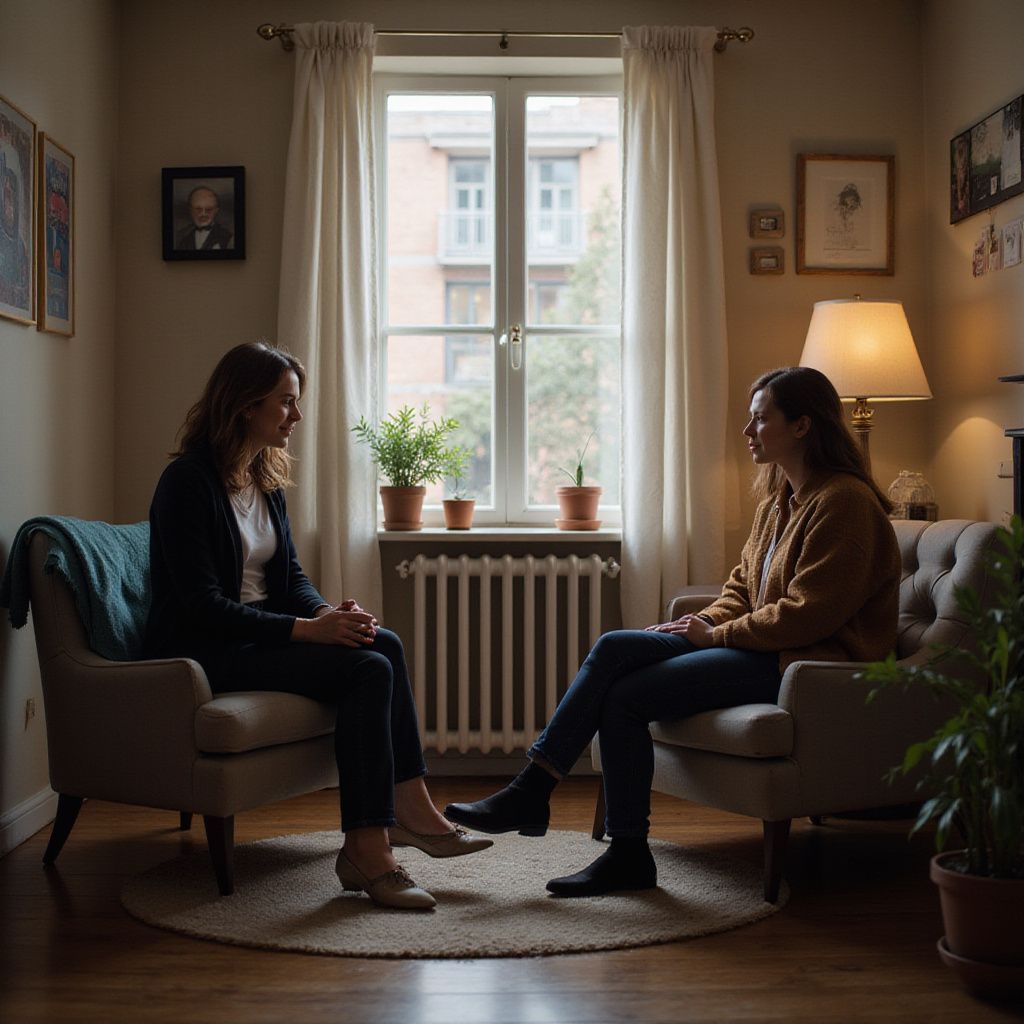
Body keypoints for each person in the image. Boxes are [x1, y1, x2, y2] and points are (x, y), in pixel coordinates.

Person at [445, 366, 901, 897]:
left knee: (621, 674)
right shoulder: (780, 500)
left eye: (760, 419)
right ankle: (618, 849)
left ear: (802, 426)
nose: (747, 431)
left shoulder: (844, 502)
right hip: (762, 647)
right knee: (620, 672)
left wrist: (718, 637)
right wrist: (707, 620)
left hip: (803, 663)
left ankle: (539, 794)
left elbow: (809, 613)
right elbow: (742, 589)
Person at [144, 341, 491, 910]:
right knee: (366, 670)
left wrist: (328, 614)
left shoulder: (263, 478)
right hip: (206, 648)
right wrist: (307, 631)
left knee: (383, 642)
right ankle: (366, 849)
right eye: (285, 403)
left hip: (262, 632)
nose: (296, 416)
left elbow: (290, 579)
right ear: (244, 406)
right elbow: (200, 605)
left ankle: (410, 809)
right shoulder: (187, 483)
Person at [175, 185, 233, 251]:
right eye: (198, 209)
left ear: (216, 211)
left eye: (209, 209)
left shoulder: (226, 237)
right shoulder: (183, 238)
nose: (203, 214)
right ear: (190, 210)